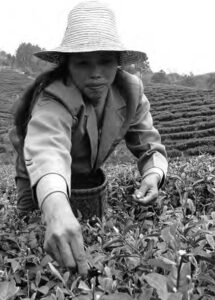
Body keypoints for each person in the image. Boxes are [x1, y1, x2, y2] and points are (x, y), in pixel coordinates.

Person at [10, 0, 168, 277]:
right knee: (33, 233)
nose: (95, 73)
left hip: (87, 174)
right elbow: (48, 149)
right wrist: (56, 209)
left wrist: (153, 176)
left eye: (105, 61)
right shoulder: (53, 97)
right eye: (83, 62)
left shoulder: (130, 91)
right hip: (39, 175)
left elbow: (148, 142)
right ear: (68, 65)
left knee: (90, 232)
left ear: (118, 63)